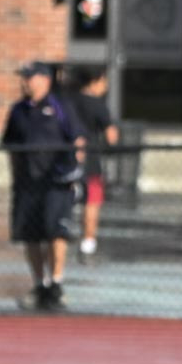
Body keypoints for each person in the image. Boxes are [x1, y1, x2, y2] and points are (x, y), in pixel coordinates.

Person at [1, 62, 86, 311]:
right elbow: (10, 146)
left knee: (55, 232)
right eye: (24, 77)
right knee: (31, 236)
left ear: (45, 79)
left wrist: (74, 170)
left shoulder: (60, 106)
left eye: (30, 77)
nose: (26, 82)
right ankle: (40, 283)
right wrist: (15, 178)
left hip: (56, 183)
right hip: (28, 184)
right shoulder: (18, 110)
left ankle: (56, 283)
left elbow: (78, 138)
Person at [66, 66, 119, 263]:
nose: (106, 86)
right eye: (104, 81)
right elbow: (111, 135)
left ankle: (62, 233)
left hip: (66, 160)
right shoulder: (97, 105)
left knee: (66, 199)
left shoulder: (67, 101)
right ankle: (87, 244)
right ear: (95, 81)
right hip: (91, 162)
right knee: (92, 202)